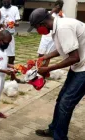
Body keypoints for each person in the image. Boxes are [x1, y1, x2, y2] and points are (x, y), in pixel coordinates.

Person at [28, 8, 85, 140]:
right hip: (79, 66)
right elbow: (64, 48)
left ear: (42, 24)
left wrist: (48, 69)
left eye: (37, 28)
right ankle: (53, 129)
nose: (38, 31)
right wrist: (45, 57)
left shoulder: (63, 28)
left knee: (66, 103)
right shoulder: (57, 27)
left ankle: (59, 137)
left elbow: (74, 57)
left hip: (83, 68)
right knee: (61, 99)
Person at [37, 0, 65, 67]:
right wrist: (53, 11)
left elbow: (63, 25)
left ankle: (45, 69)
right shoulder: (49, 13)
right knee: (41, 53)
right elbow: (43, 19)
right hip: (45, 36)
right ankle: (38, 67)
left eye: (59, 8)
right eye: (57, 7)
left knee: (49, 55)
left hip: (54, 38)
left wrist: (62, 17)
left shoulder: (63, 15)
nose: (58, 9)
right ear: (55, 6)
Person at [0, 0, 20, 65]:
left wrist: (13, 24)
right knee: (0, 53)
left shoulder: (15, 8)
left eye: (7, 2)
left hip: (10, 35)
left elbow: (17, 23)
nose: (5, 3)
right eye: (4, 2)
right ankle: (1, 67)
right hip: (2, 35)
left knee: (11, 55)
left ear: (10, 1)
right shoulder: (0, 10)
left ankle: (11, 69)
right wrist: (2, 24)